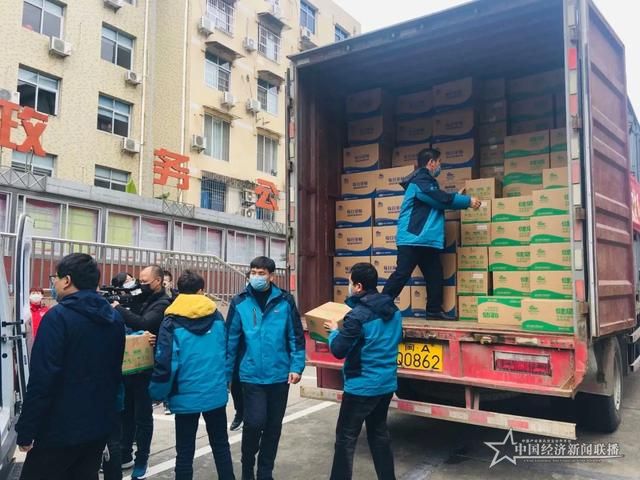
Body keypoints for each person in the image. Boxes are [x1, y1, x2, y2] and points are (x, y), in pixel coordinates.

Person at [16, 253, 125, 480]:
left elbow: (43, 379)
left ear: (67, 280)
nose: (53, 284)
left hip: (59, 430)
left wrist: (27, 429)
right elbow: (114, 373)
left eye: (55, 278)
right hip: (98, 426)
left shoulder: (58, 317)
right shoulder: (114, 318)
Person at [150, 270, 234, 480]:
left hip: (184, 393)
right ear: (201, 290)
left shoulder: (170, 321)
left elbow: (166, 362)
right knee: (221, 446)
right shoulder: (216, 316)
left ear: (179, 291)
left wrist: (157, 393)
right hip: (215, 391)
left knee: (185, 452)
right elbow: (226, 351)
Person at [226, 257, 306, 480]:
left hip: (279, 375)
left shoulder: (285, 301)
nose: (256, 277)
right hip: (250, 375)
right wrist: (226, 375)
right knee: (254, 423)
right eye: (253, 272)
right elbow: (230, 340)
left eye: (261, 273)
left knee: (273, 427)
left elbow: (295, 336)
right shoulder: (240, 302)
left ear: (271, 276)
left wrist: (297, 366)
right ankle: (247, 468)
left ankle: (265, 471)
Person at [382, 147, 481, 320]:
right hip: (412, 238)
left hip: (425, 240)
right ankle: (379, 307)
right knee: (402, 274)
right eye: (439, 162)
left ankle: (434, 311)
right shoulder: (421, 180)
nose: (440, 166)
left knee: (435, 274)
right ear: (431, 162)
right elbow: (438, 199)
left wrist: (455, 198)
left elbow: (438, 199)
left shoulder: (427, 182)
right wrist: (467, 201)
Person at [324, 263, 403, 480]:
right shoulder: (394, 311)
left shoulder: (357, 316)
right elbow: (397, 337)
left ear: (358, 286)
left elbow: (338, 350)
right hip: (386, 384)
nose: (349, 287)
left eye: (350, 283)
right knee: (379, 435)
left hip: (361, 386)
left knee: (345, 439)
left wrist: (334, 332)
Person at [112, 265, 171, 479]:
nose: (140, 284)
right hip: (129, 366)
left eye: (144, 281)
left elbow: (144, 322)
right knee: (126, 412)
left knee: (142, 416)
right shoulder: (140, 299)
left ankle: (142, 458)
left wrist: (119, 308)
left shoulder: (162, 303)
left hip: (147, 367)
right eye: (139, 280)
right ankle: (124, 454)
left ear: (158, 281)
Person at [229, 272, 250, 432]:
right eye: (250, 277)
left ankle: (250, 416)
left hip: (255, 350)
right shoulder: (239, 300)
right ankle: (240, 412)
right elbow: (230, 329)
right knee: (236, 384)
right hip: (239, 349)